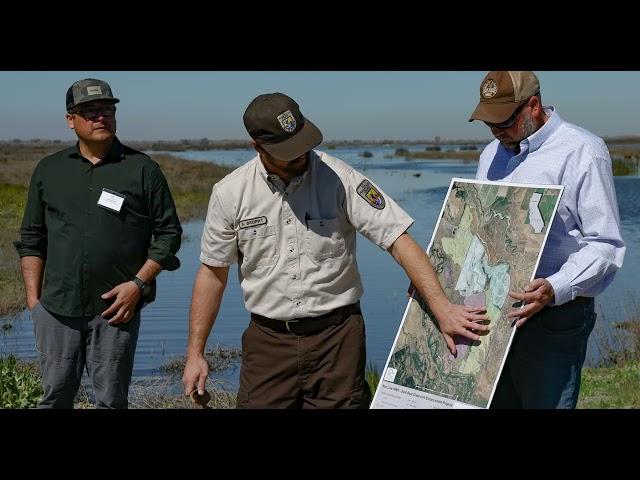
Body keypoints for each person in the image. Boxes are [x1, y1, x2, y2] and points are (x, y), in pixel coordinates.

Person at [182, 92, 488, 408]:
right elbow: (212, 274)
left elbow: (398, 239)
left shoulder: (339, 177)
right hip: (268, 343)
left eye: (302, 143)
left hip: (338, 341)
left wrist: (442, 308)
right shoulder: (230, 193)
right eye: (288, 152)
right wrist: (195, 353)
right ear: (257, 146)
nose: (301, 155)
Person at [14, 78, 183, 408]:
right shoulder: (49, 170)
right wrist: (34, 302)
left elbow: (169, 234)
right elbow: (32, 238)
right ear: (70, 119)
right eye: (88, 111)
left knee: (111, 402)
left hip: (116, 312)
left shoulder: (142, 169)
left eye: (106, 109)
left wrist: (137, 284)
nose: (100, 116)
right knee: (54, 399)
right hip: (56, 312)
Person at [468, 71, 625, 408]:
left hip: (555, 316)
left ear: (533, 106)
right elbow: (478, 228)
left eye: (504, 121)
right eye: (488, 124)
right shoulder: (489, 155)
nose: (496, 131)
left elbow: (605, 245)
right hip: (493, 313)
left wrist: (554, 287)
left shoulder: (583, 150)